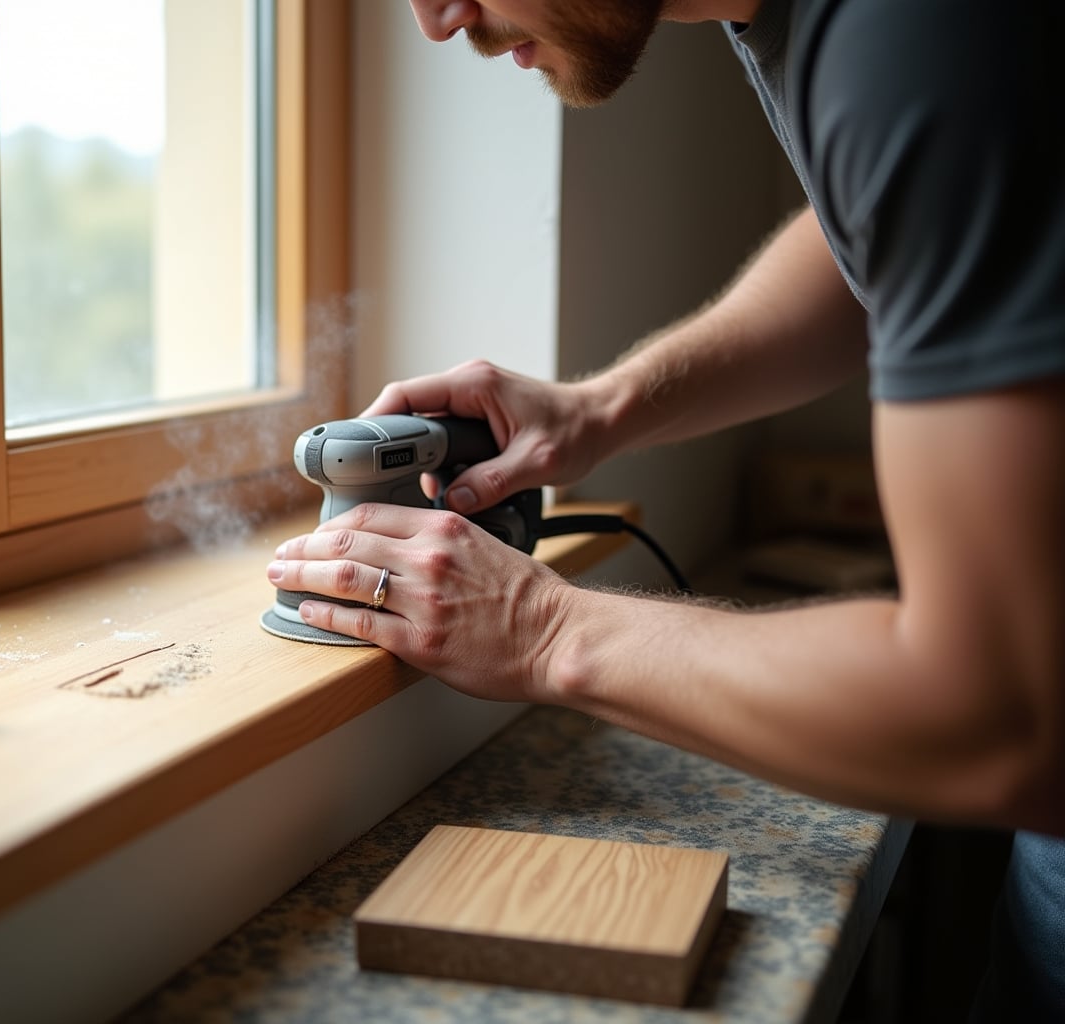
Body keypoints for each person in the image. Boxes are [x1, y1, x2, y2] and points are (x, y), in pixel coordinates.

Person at [266, 1, 1064, 1016]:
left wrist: (542, 626)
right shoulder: (833, 33)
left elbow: (996, 712)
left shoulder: (915, 34)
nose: (433, 18)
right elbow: (875, 233)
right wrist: (601, 409)